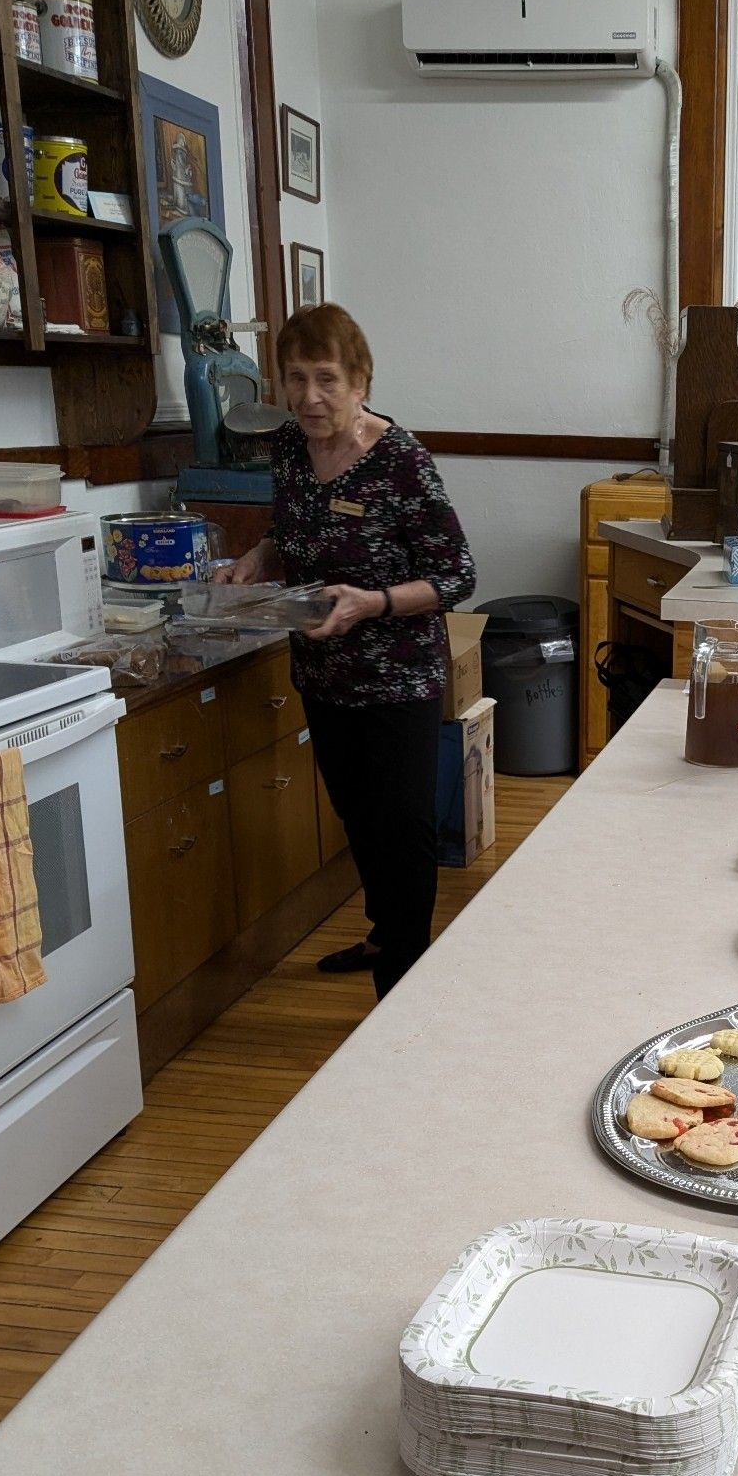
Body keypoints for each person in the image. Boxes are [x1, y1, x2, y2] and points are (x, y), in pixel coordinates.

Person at [219, 303, 476, 997]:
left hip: (397, 684)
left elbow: (457, 575)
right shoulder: (288, 450)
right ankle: (386, 933)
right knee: (358, 818)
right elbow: (292, 533)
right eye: (296, 379)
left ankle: (404, 985)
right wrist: (257, 556)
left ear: (361, 381)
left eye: (327, 379)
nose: (310, 396)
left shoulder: (401, 461)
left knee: (402, 831)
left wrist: (372, 603)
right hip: (324, 676)